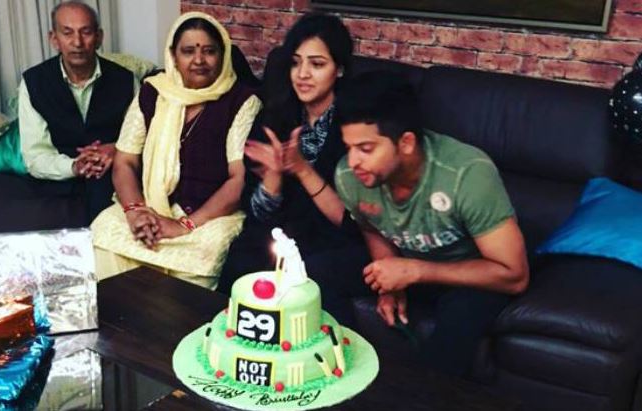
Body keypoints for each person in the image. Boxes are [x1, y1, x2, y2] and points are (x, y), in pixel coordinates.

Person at [333, 71, 530, 377]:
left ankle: (422, 396)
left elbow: (514, 275)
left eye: (366, 149)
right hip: (408, 261)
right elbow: (371, 225)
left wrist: (414, 271)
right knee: (315, 275)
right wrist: (387, 276)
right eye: (348, 147)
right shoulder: (350, 176)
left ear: (406, 143)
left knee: (457, 324)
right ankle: (346, 373)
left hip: (472, 273)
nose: (353, 161)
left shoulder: (467, 174)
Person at [218, 13, 371, 326]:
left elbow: (355, 223)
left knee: (309, 275)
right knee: (240, 257)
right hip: (285, 233)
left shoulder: (357, 124)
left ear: (339, 69)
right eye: (295, 63)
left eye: (317, 64)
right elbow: (256, 213)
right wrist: (272, 181)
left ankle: (330, 353)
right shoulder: (276, 115)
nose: (302, 74)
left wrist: (301, 169)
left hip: (336, 241)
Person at [90, 12, 262, 289]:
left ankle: (167, 318)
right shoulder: (152, 92)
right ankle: (119, 316)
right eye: (188, 51)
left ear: (223, 55)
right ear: (173, 55)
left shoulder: (242, 101)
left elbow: (238, 179)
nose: (199, 60)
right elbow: (125, 161)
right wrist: (135, 211)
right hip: (148, 205)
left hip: (208, 216)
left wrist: (184, 225)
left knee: (205, 252)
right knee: (104, 232)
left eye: (209, 51)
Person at [19, 1, 136, 221]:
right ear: (54, 39)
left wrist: (117, 149)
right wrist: (74, 166)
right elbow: (35, 156)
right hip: (58, 181)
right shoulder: (34, 82)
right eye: (67, 33)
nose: (77, 42)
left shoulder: (126, 80)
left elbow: (144, 139)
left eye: (86, 32)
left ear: (99, 37)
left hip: (112, 179)